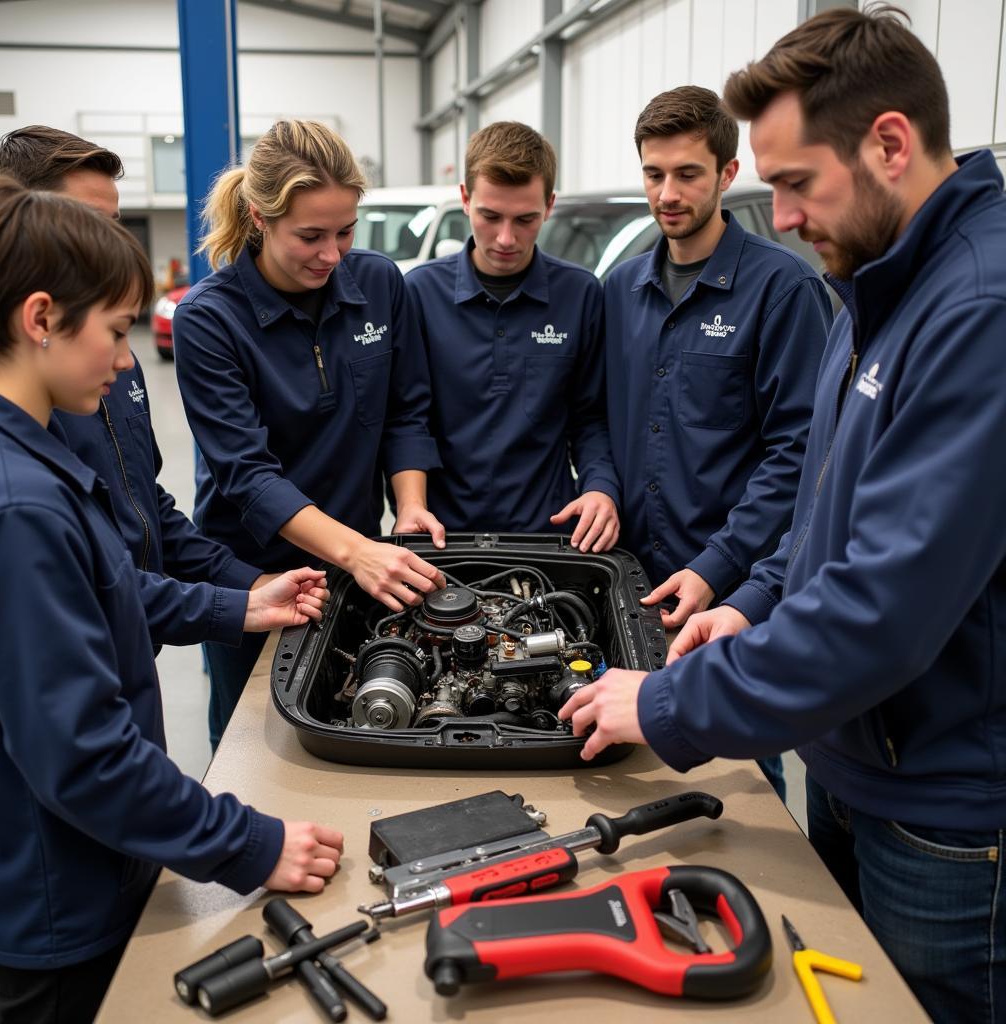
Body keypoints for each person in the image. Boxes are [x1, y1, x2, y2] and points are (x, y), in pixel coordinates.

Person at [561, 7, 1006, 1020]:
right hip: (856, 761)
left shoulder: (976, 310)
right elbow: (825, 497)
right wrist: (758, 598)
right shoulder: (882, 281)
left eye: (797, 184)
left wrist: (670, 704)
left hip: (944, 811)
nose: (787, 218)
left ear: (889, 144)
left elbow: (884, 605)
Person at [0, 177, 343, 1024]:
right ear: (40, 320)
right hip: (62, 906)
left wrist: (243, 607)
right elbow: (84, 757)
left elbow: (108, 584)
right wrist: (252, 845)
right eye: (113, 332)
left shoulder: (28, 463)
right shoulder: (19, 503)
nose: (123, 359)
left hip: (92, 866)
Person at [172, 120, 447, 746]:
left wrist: (408, 506)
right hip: (250, 575)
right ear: (258, 217)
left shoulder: (379, 284)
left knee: (345, 718)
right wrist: (358, 551)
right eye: (310, 236)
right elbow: (248, 476)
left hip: (354, 561)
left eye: (345, 231)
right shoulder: (209, 320)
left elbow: (406, 411)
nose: (332, 254)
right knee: (250, 748)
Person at [602, 87, 832, 798]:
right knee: (624, 782)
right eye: (653, 174)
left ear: (727, 175)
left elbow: (802, 454)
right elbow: (599, 421)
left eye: (688, 174)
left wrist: (716, 565)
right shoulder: (618, 290)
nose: (668, 193)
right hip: (629, 592)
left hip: (728, 604)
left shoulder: (782, 289)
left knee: (735, 800)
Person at [0, 126, 285, 656]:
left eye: (115, 227)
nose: (111, 248)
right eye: (86, 226)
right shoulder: (15, 434)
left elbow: (147, 512)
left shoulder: (113, 368)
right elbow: (84, 589)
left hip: (133, 650)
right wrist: (230, 607)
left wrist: (248, 584)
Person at [404, 121, 620, 549]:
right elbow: (409, 418)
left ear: (549, 206)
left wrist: (600, 487)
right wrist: (411, 504)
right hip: (443, 537)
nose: (506, 238)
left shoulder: (579, 295)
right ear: (465, 200)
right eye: (490, 216)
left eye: (525, 219)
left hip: (551, 535)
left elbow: (591, 418)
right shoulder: (419, 294)